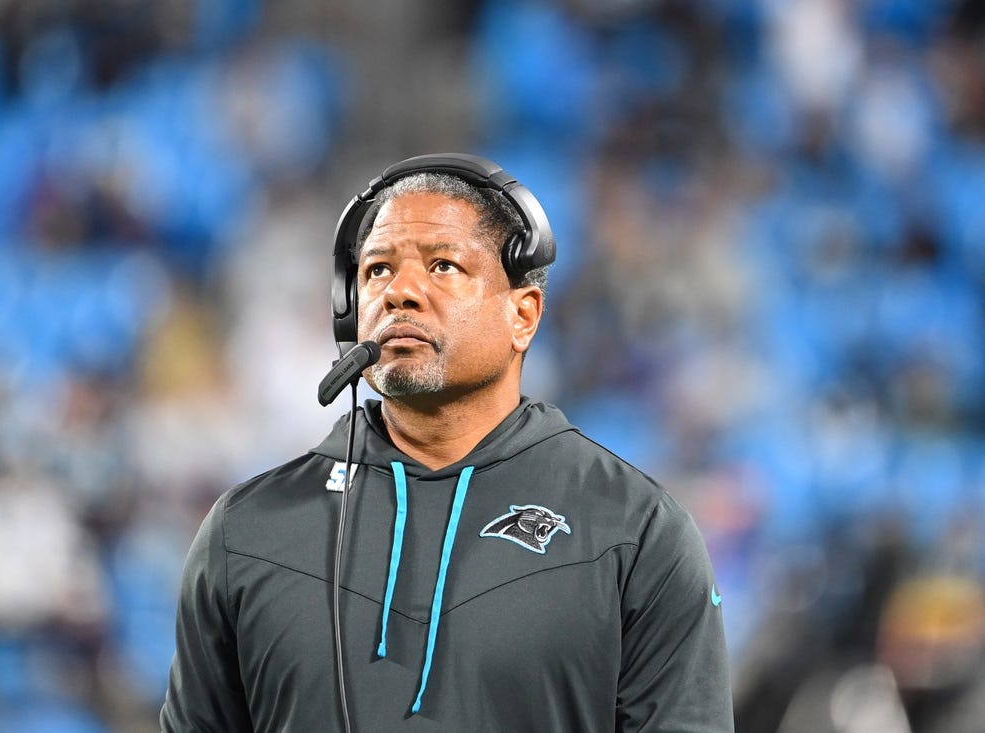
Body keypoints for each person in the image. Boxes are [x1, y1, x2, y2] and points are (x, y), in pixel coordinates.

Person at [160, 154, 734, 732]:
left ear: (523, 315)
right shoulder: (246, 531)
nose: (400, 292)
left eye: (442, 266)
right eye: (377, 270)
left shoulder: (635, 531)